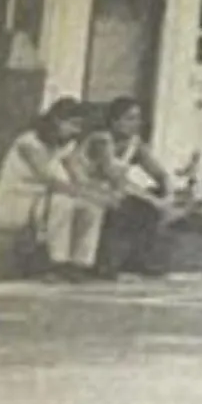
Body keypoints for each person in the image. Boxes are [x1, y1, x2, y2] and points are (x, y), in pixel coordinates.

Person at [0, 98, 114, 280]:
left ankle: (80, 263)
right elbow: (49, 180)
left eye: (80, 126)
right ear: (57, 120)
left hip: (44, 200)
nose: (76, 131)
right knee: (63, 202)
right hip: (17, 201)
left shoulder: (65, 146)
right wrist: (85, 193)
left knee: (91, 208)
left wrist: (99, 194)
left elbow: (77, 177)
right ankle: (57, 262)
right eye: (73, 124)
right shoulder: (29, 143)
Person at [81, 97, 176, 278]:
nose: (135, 124)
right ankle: (105, 264)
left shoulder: (134, 144)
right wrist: (154, 201)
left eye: (137, 118)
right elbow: (116, 178)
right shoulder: (101, 140)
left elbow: (160, 173)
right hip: (89, 190)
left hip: (115, 193)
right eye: (129, 118)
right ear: (114, 121)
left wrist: (168, 193)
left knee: (149, 202)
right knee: (131, 206)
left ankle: (139, 261)